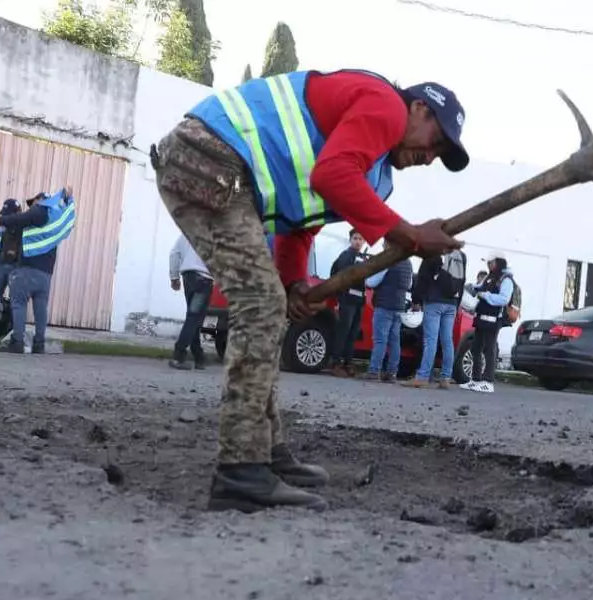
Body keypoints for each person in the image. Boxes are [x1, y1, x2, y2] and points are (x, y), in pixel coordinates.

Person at [150, 68, 467, 513]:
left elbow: (301, 220)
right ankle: (241, 472)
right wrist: (409, 235)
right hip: (209, 157)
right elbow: (332, 176)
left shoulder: (372, 162)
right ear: (418, 108)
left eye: (440, 154)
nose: (430, 156)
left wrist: (296, 282)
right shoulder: (386, 107)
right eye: (436, 141)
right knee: (260, 306)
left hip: (214, 165)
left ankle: (267, 453)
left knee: (270, 305)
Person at [0, 188, 76, 354]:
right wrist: (68, 199)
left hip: (27, 271)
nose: (32, 205)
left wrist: (1, 219)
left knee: (18, 305)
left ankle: (17, 342)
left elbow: (25, 217)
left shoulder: (40, 211)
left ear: (42, 200)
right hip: (45, 275)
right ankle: (39, 344)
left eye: (34, 201)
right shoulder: (54, 222)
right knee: (40, 309)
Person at [405, 248, 467, 388]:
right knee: (447, 340)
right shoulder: (460, 255)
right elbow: (462, 280)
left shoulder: (433, 251)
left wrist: (416, 300)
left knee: (430, 340)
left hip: (434, 301)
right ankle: (445, 377)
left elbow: (423, 277)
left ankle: (423, 376)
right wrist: (457, 304)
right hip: (452, 303)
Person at [462, 252, 515, 394]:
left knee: (489, 349)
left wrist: (486, 296)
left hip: (493, 319)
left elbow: (504, 299)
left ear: (499, 262)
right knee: (476, 348)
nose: (489, 265)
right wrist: (473, 288)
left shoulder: (506, 279)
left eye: (491, 263)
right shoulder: (489, 276)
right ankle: (475, 379)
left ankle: (488, 381)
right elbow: (480, 286)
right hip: (481, 318)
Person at [364, 240, 413, 382]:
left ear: (389, 244)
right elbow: (409, 284)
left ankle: (374, 372)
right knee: (395, 342)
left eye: (384, 243)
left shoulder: (388, 261)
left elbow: (371, 282)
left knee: (380, 340)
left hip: (384, 305)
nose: (383, 246)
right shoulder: (408, 263)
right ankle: (391, 373)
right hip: (399, 307)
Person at [168, 232, 214, 370]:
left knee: (193, 318)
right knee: (194, 318)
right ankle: (178, 356)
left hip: (188, 277)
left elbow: (174, 253)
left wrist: (174, 276)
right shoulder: (216, 232)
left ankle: (199, 357)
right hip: (203, 280)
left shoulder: (188, 230)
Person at [327, 230, 370, 377]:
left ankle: (348, 363)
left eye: (360, 239)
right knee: (343, 333)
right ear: (350, 240)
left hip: (359, 301)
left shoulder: (363, 257)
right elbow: (339, 277)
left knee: (352, 334)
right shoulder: (346, 256)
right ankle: (335, 363)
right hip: (347, 301)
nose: (358, 241)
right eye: (355, 238)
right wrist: (339, 299)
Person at [0, 198, 23, 301]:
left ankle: (11, 317)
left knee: (15, 298)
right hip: (1, 263)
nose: (7, 216)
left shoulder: (24, 224)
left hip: (16, 265)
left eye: (9, 214)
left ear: (18, 212)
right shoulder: (3, 222)